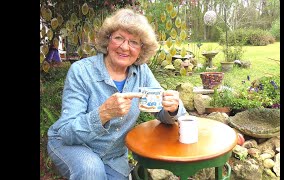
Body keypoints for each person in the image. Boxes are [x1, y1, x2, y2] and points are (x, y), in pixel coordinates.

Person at [47, 8, 188, 180]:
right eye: (119, 38)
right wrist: (103, 114)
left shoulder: (141, 72)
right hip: (73, 145)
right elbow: (67, 132)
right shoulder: (82, 71)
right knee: (91, 170)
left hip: (113, 155)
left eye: (134, 42)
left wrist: (172, 109)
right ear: (108, 40)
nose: (124, 47)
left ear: (141, 49)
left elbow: (162, 111)